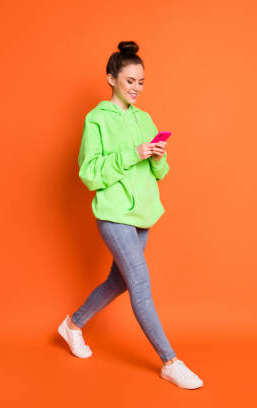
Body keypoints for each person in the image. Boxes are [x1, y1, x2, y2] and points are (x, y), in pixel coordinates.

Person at [57, 41, 204, 390]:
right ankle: (170, 361)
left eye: (141, 82)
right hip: (113, 214)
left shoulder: (145, 118)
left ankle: (73, 325)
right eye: (130, 81)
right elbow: (89, 173)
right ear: (111, 78)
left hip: (143, 214)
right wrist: (133, 153)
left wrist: (155, 156)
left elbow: (159, 173)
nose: (136, 88)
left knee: (119, 281)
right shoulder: (96, 119)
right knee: (140, 284)